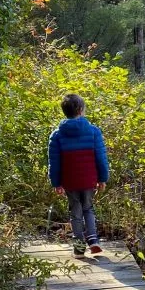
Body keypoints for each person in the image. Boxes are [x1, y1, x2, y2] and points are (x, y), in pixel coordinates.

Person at [48, 93, 109, 258]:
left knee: (75, 212)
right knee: (88, 208)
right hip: (89, 179)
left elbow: (54, 162)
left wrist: (56, 183)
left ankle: (79, 248)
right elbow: (101, 158)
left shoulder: (57, 135)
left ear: (64, 111)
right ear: (81, 110)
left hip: (70, 181)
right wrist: (103, 178)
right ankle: (93, 240)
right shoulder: (94, 131)